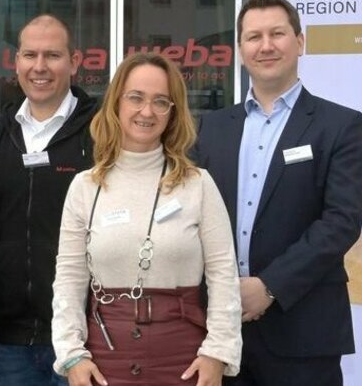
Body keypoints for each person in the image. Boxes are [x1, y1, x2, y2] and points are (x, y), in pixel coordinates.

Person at [192, 0, 362, 386]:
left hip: (304, 331)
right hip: (221, 333)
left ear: (300, 42)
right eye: (253, 36)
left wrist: (269, 287)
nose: (266, 45)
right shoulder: (211, 128)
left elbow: (341, 221)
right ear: (240, 50)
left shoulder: (340, 125)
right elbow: (192, 215)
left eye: (277, 33)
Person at [52, 52, 241, 386]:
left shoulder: (198, 185)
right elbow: (68, 280)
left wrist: (217, 353)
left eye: (161, 101)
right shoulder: (85, 187)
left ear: (173, 112)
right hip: (104, 360)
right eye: (136, 98)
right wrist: (71, 355)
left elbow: (224, 276)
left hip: (184, 361)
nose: (147, 111)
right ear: (116, 104)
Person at [0, 14, 96, 385]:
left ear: (75, 62)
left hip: (87, 335)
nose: (40, 67)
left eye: (53, 55)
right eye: (30, 55)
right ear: (16, 63)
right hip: (13, 341)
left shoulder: (102, 132)